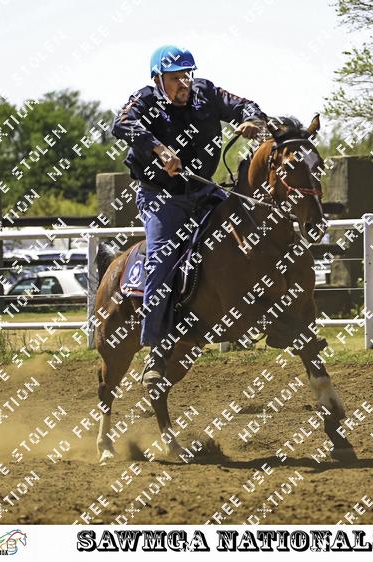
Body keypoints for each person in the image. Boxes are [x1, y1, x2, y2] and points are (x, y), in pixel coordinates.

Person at [111, 44, 267, 374]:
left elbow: (244, 105)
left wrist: (251, 119)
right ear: (158, 80)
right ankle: (157, 348)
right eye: (175, 78)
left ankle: (265, 312)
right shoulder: (144, 100)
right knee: (161, 259)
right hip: (160, 197)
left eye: (186, 75)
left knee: (250, 226)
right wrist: (158, 149)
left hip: (203, 189)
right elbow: (121, 123)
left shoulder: (206, 93)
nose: (183, 83)